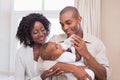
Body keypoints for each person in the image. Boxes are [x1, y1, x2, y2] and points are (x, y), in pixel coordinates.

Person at [39, 6, 112, 80]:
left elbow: (103, 76)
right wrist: (74, 69)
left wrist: (86, 54)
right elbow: (41, 64)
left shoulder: (96, 43)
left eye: (68, 22)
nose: (65, 28)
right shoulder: (55, 41)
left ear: (79, 20)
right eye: (62, 24)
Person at [15, 13, 60, 80]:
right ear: (28, 35)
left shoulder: (52, 47)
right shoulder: (22, 53)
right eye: (35, 32)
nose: (41, 34)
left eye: (42, 30)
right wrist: (41, 77)